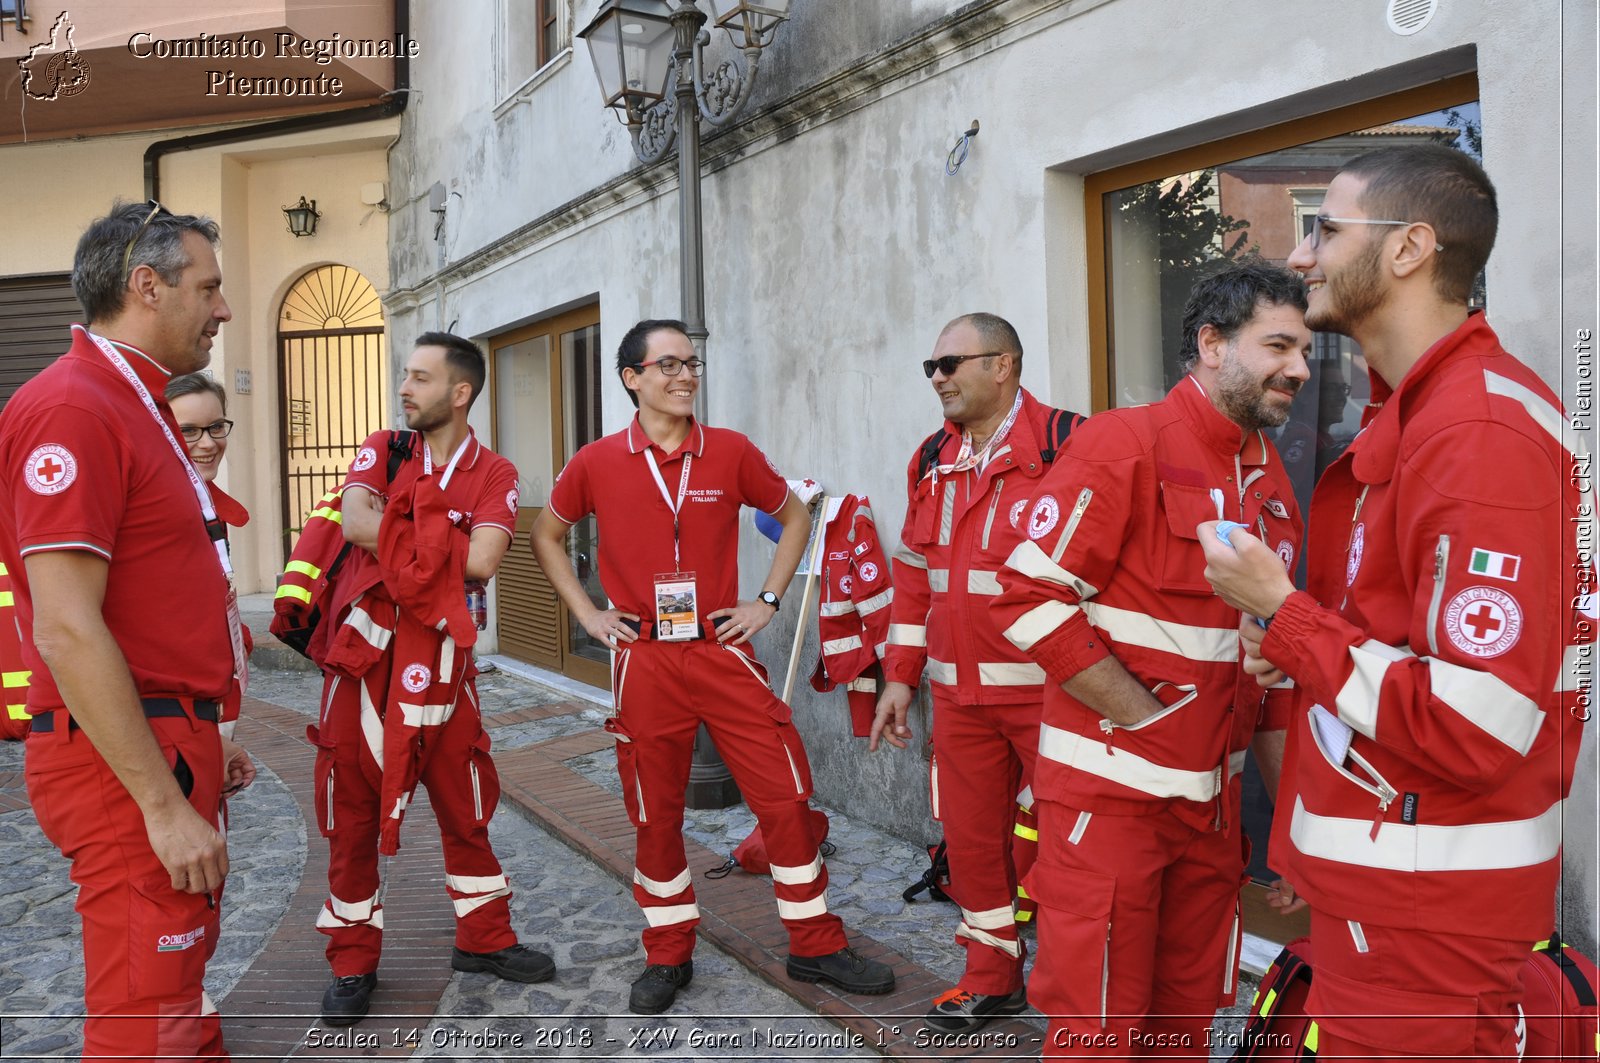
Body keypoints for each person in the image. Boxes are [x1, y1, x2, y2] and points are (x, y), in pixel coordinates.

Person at [1201, 145, 1590, 1060]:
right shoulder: (1422, 413)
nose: (1301, 257)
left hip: (1425, 909)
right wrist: (1297, 640)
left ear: (1411, 247)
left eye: (1326, 229)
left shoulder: (1476, 432)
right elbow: (1397, 643)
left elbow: (1475, 722)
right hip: (1396, 887)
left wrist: (1286, 614)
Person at [990, 261, 1311, 1058]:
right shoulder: (1123, 442)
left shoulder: (1273, 482)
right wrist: (1148, 721)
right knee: (1096, 1026)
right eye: (1278, 345)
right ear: (1211, 343)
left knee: (1186, 1022)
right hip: (1110, 808)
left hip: (1212, 818)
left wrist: (1292, 832)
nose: (1300, 368)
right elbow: (1024, 600)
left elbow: (1270, 677)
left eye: (1305, 348)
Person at [531, 318, 895, 1015]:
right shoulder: (598, 461)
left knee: (784, 795)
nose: (685, 375)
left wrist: (767, 599)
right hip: (644, 657)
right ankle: (668, 952)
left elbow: (794, 518)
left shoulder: (728, 452)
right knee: (654, 811)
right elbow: (548, 532)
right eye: (666, 364)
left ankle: (815, 944)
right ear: (632, 377)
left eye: (691, 363)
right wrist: (588, 614)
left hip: (721, 647)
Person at [0, 200, 254, 1062]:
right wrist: (160, 802)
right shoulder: (76, 407)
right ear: (146, 285)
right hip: (126, 755)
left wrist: (213, 730)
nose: (223, 309)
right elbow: (67, 629)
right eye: (209, 287)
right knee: (148, 1015)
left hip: (164, 735)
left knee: (173, 993)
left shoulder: (134, 402)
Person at [313, 332, 555, 1025]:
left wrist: (402, 533)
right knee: (351, 811)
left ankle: (484, 938)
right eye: (404, 376)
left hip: (447, 665)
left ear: (460, 391)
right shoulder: (384, 448)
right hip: (364, 663)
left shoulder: (497, 472)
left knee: (465, 802)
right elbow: (356, 518)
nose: (404, 388)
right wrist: (438, 536)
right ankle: (352, 961)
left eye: (419, 378)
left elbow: (483, 560)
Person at [869, 312, 1084, 1032]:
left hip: (1052, 698)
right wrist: (899, 674)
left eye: (952, 363)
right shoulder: (932, 456)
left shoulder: (1070, 445)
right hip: (958, 699)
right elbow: (912, 572)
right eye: (931, 367)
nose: (938, 378)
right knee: (971, 844)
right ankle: (992, 977)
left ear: (1005, 365)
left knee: (1069, 852)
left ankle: (1079, 999)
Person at [166, 372, 250, 740]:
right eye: (188, 431)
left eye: (216, 427)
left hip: (209, 708)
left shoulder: (208, 508)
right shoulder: (157, 516)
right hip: (173, 716)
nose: (208, 443)